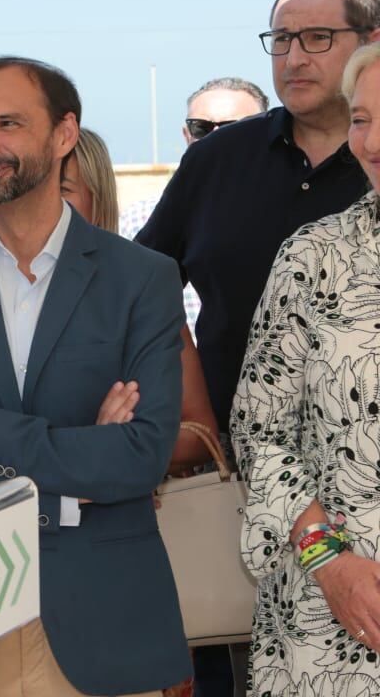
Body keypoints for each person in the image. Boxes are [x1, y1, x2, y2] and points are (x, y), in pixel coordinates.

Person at [0, 56, 189, 696]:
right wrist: (76, 471)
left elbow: (138, 459)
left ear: (64, 135)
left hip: (107, 629)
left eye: (7, 124)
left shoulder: (143, 279)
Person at [137, 0, 379, 446]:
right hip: (232, 470)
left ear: (372, 42)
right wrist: (182, 410)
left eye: (317, 38)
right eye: (283, 39)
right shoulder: (215, 159)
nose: (293, 59)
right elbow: (142, 287)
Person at [230, 42, 380, 697]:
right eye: (363, 118)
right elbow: (260, 434)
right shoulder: (313, 257)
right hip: (326, 628)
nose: (372, 141)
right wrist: (329, 562)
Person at [63, 128, 219, 476]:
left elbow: (199, 432)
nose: (42, 203)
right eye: (33, 188)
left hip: (131, 520)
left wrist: (127, 451)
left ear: (97, 195)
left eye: (62, 189)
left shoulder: (141, 289)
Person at [120, 77, 269, 338]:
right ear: (186, 135)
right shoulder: (138, 219)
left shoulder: (297, 212)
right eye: (201, 127)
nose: (216, 140)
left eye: (233, 129)